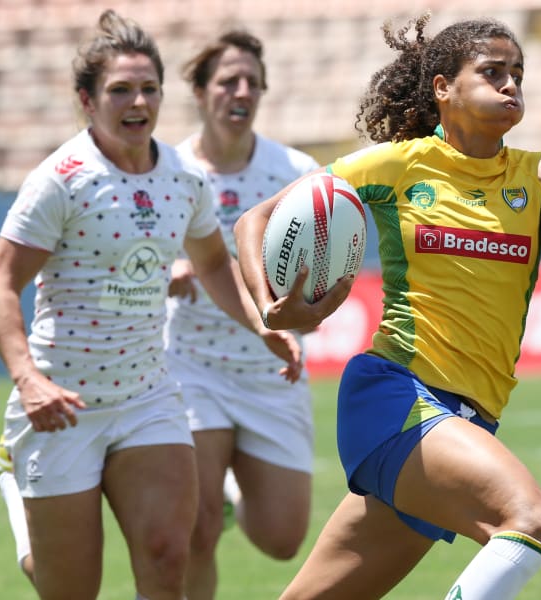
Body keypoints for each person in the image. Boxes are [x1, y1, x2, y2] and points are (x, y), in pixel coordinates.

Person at [233, 14, 541, 600]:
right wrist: (271, 307)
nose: (511, 85)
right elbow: (253, 220)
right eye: (491, 73)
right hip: (396, 397)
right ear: (443, 88)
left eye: (518, 74)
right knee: (529, 519)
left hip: (467, 420)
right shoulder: (397, 165)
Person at [0, 10, 301, 600]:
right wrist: (27, 380)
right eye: (120, 90)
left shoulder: (183, 177)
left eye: (149, 89)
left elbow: (210, 263)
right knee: (70, 588)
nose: (137, 102)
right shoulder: (61, 180)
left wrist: (261, 327)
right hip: (60, 406)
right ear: (87, 100)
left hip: (148, 399)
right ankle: (14, 493)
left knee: (167, 557)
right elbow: (1, 284)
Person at [164, 30, 320, 600]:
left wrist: (309, 305)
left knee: (283, 539)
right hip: (188, 365)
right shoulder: (169, 169)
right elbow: (133, 259)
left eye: (253, 82)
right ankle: (214, 504)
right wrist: (172, 275)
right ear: (201, 93)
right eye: (228, 80)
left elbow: (323, 278)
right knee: (197, 531)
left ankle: (233, 494)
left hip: (270, 369)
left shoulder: (295, 171)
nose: (242, 91)